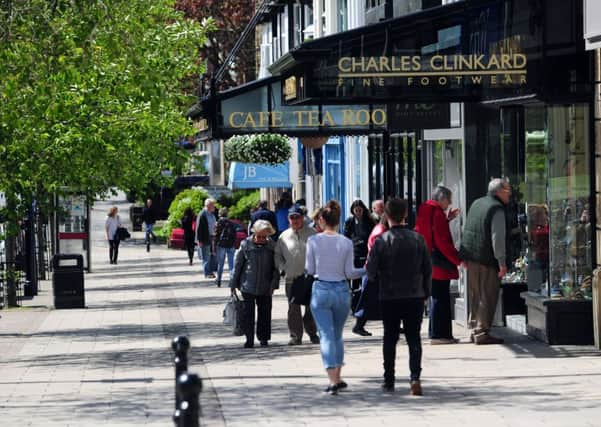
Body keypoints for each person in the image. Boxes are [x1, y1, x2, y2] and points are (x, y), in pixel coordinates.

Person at [366, 198, 431, 396]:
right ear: (404, 215)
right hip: (414, 295)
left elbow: (370, 270)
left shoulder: (382, 241)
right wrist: (426, 293)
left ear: (386, 215)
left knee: (390, 338)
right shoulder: (418, 239)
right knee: (414, 338)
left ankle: (389, 379)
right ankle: (415, 378)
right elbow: (427, 269)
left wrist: (378, 277)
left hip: (390, 295)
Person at [306, 200, 365, 395]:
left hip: (321, 289)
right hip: (341, 290)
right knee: (337, 335)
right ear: (338, 220)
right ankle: (338, 377)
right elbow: (350, 272)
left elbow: (310, 269)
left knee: (326, 335)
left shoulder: (313, 241)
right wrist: (367, 269)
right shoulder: (346, 242)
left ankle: (332, 380)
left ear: (321, 220)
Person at [459, 178, 512, 345]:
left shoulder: (477, 203)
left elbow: (467, 229)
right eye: (507, 190)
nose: (510, 193)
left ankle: (476, 328)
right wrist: (502, 262)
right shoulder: (496, 209)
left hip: (472, 257)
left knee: (476, 294)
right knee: (487, 295)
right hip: (486, 259)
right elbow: (497, 239)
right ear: (499, 191)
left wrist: (464, 255)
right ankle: (482, 332)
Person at [414, 186, 461, 345]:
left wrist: (447, 218)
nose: (450, 203)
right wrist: (458, 259)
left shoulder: (425, 209)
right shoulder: (438, 213)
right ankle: (440, 335)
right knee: (441, 299)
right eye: (448, 199)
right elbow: (442, 241)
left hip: (427, 261)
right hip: (438, 263)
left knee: (436, 297)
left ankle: (435, 332)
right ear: (441, 199)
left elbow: (429, 232)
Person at [230, 220, 280, 348]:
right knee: (248, 314)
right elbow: (237, 265)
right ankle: (249, 339)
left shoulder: (272, 246)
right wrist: (233, 284)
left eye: (265, 237)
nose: (262, 239)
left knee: (265, 313)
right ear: (254, 233)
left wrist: (274, 284)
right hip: (248, 285)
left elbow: (276, 268)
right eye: (259, 236)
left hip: (265, 286)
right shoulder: (245, 245)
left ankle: (264, 338)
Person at [275, 205, 319, 346]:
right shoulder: (283, 236)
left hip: (310, 277)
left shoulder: (313, 233)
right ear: (288, 219)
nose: (295, 220)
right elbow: (277, 255)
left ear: (302, 218)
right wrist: (283, 268)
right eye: (292, 217)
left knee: (311, 307)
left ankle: (312, 333)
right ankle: (295, 336)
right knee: (293, 308)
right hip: (292, 277)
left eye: (297, 217)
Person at [343, 199, 375, 336]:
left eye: (360, 209)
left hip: (365, 253)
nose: (358, 212)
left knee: (365, 283)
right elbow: (346, 236)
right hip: (354, 253)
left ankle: (361, 306)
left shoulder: (369, 221)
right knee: (354, 283)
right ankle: (355, 306)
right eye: (355, 210)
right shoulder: (350, 222)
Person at [213, 207, 237, 288]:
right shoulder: (231, 223)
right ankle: (232, 280)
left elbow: (216, 236)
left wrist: (214, 247)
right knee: (231, 265)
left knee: (220, 264)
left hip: (221, 245)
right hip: (230, 245)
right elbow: (234, 234)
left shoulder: (218, 223)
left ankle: (219, 280)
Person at [196, 198, 217, 279]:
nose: (214, 206)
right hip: (205, 238)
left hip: (212, 237)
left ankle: (210, 271)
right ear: (208, 205)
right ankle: (207, 273)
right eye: (213, 205)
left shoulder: (211, 214)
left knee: (212, 256)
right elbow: (199, 228)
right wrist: (199, 240)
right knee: (206, 256)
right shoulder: (202, 214)